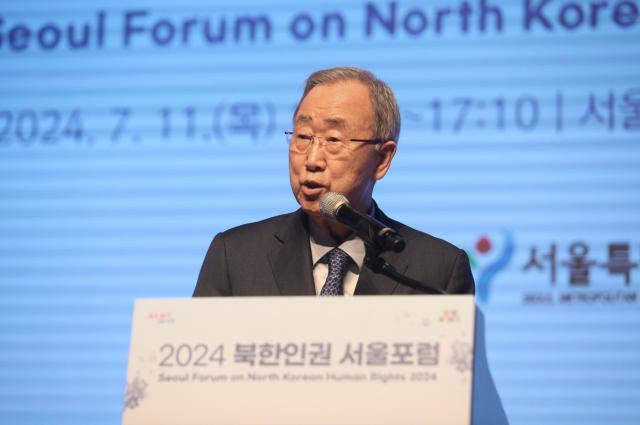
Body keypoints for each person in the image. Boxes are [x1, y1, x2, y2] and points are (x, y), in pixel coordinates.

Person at [193, 67, 474, 297]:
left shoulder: (439, 270)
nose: (312, 159)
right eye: (302, 137)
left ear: (382, 158)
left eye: (333, 140)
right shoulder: (235, 255)